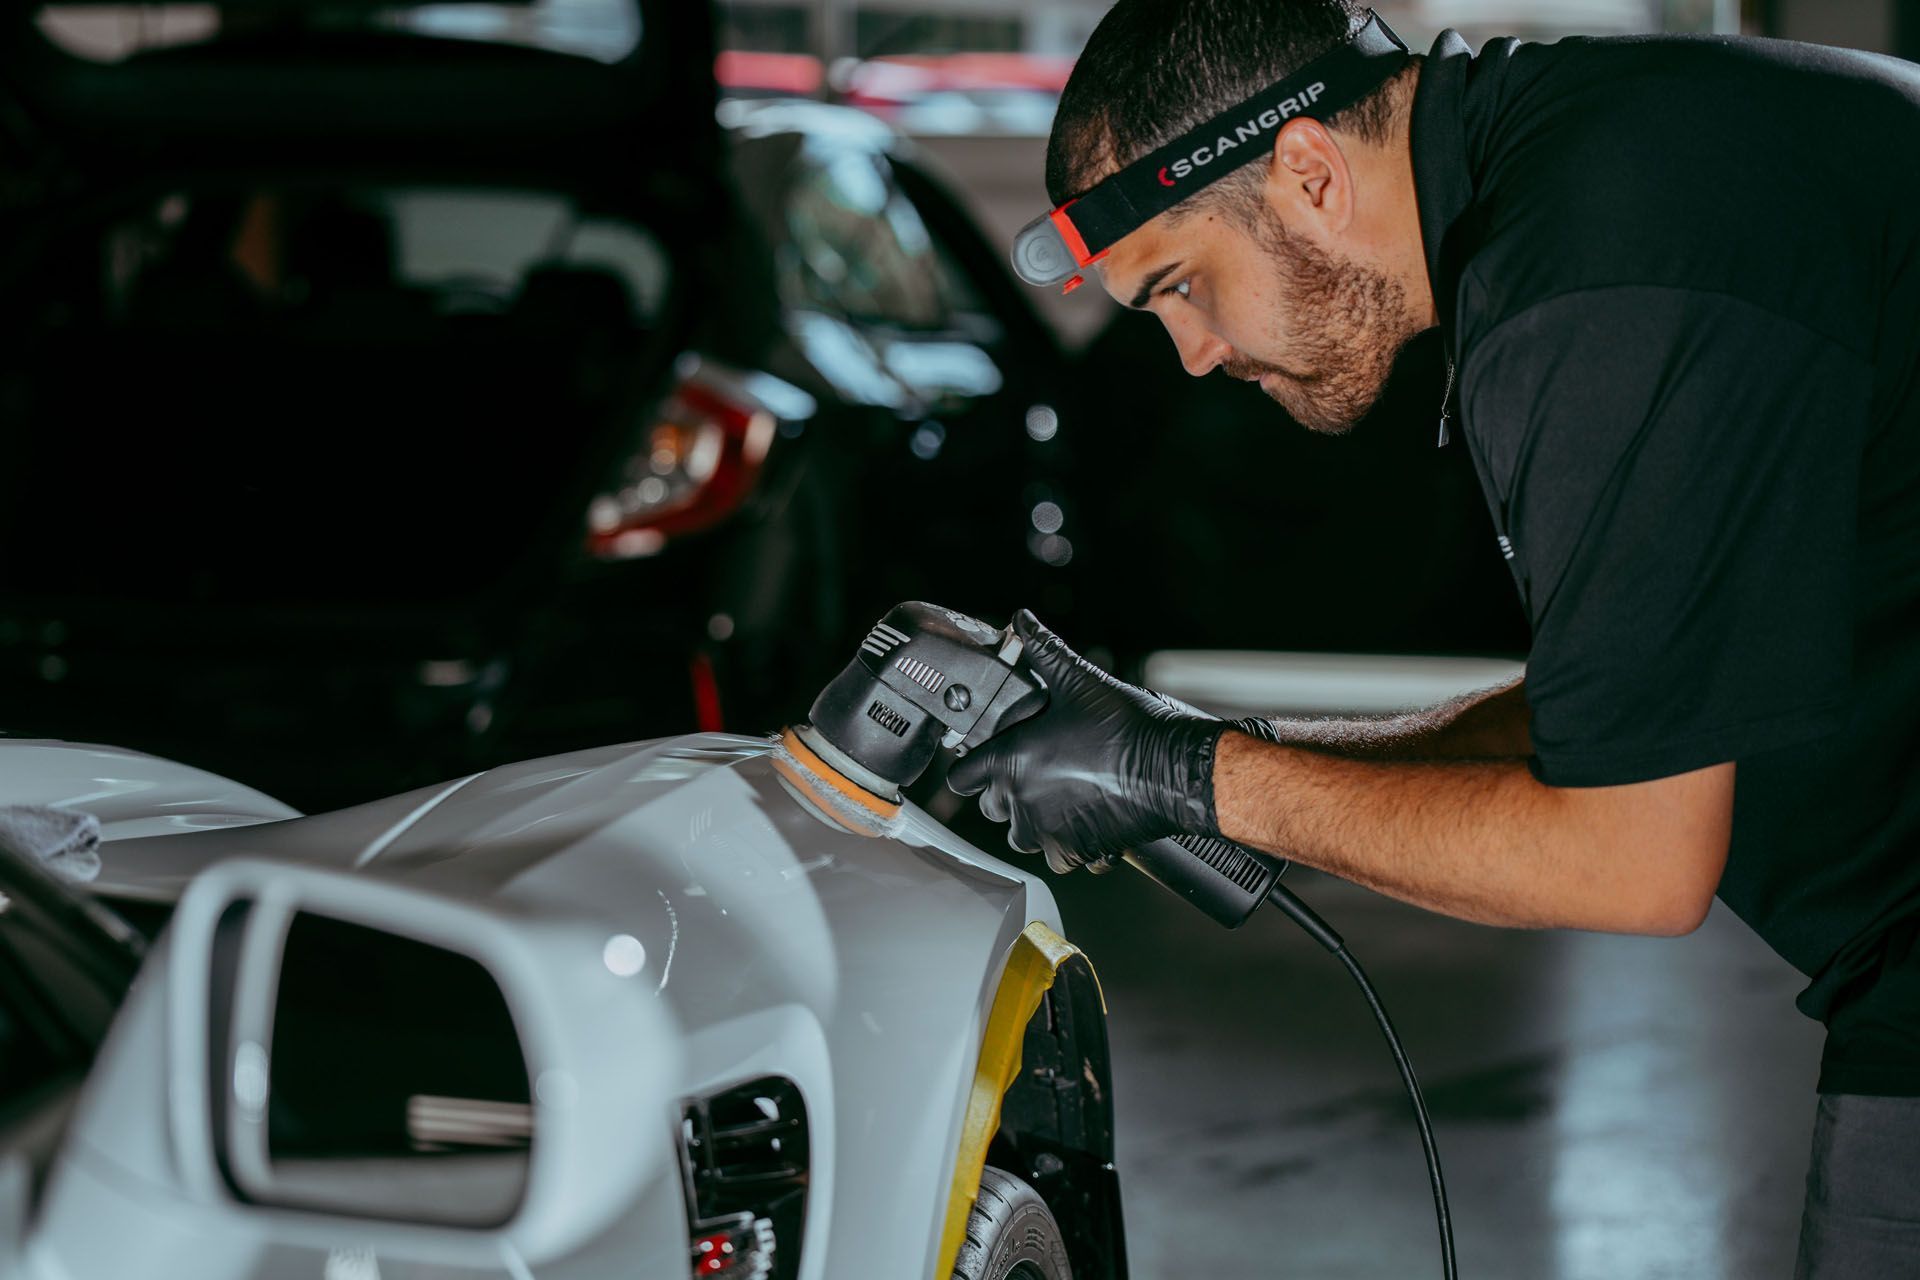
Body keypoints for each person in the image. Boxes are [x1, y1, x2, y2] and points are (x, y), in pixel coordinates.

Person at [948, 2, 1920, 1275]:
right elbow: (1626, 705)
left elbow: (1633, 853)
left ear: (1308, 173)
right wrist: (1210, 753)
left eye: (1180, 284)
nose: (1189, 355)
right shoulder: (1588, 174)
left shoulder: (1600, 262)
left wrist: (1185, 777)